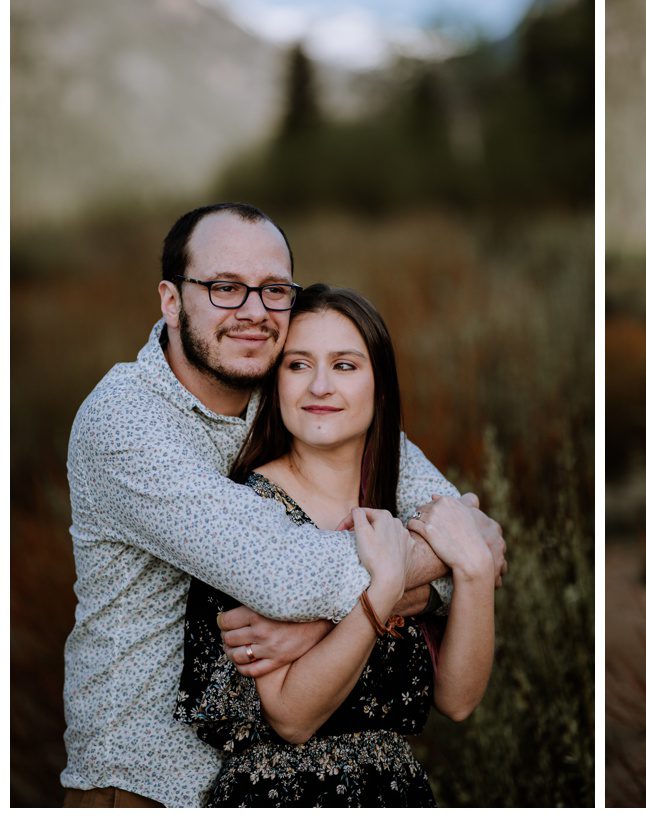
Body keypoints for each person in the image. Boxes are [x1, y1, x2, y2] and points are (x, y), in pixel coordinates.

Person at [63, 203, 506, 808]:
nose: (252, 311)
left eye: (273, 291)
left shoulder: (284, 393)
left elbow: (455, 519)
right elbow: (294, 577)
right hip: (143, 786)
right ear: (171, 301)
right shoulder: (125, 422)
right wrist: (448, 561)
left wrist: (448, 562)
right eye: (224, 288)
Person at [176, 285, 495, 806]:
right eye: (298, 365)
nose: (319, 386)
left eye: (345, 366)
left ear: (381, 387)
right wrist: (382, 590)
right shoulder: (249, 515)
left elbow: (458, 700)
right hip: (282, 795)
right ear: (276, 384)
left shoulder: (403, 515)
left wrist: (476, 568)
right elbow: (292, 718)